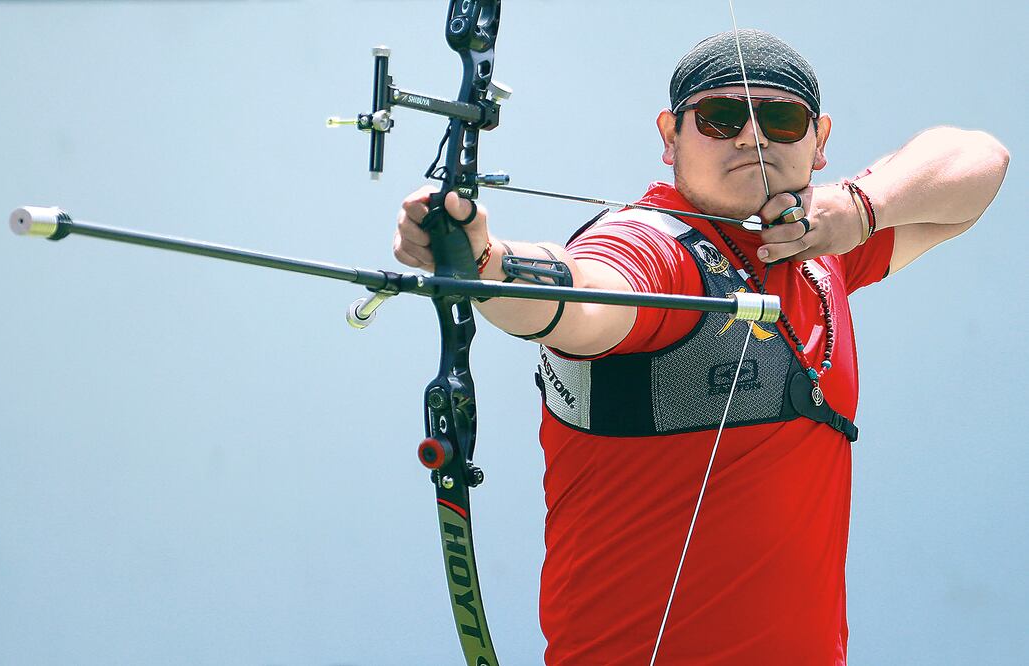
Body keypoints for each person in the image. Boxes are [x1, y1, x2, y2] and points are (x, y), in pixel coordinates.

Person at [393, 29, 1008, 666]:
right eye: (720, 117)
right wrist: (487, 263)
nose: (752, 137)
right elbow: (585, 297)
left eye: (781, 119)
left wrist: (860, 208)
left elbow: (980, 164)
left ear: (819, 140)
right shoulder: (655, 248)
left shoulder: (824, 254)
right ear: (670, 137)